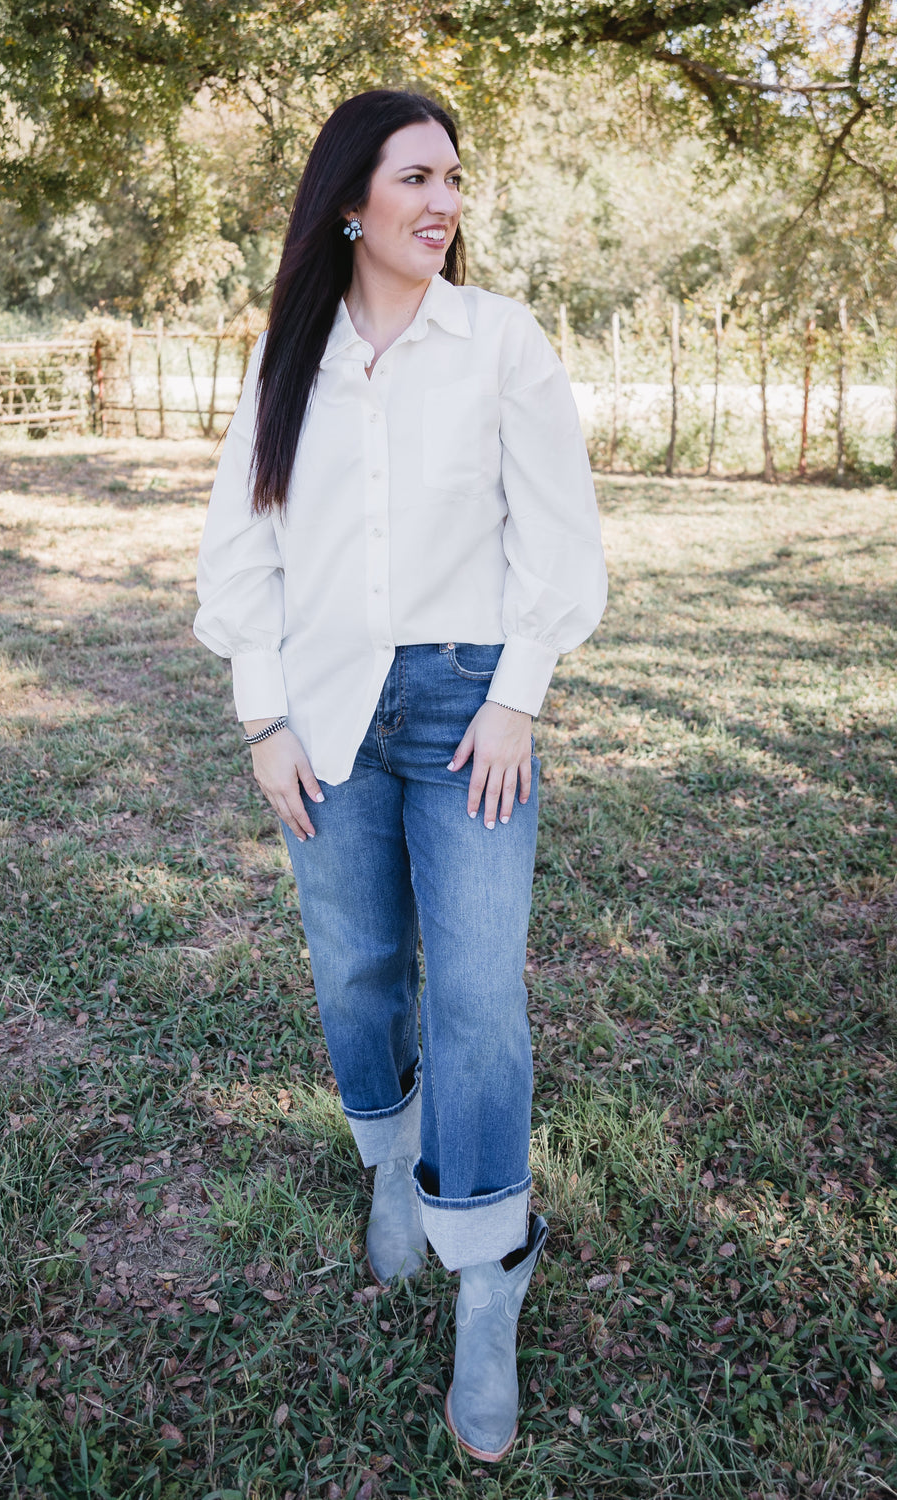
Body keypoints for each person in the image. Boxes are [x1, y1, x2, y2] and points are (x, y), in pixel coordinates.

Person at [195, 89, 607, 1464]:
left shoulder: (500, 343)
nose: (443, 203)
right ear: (349, 202)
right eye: (415, 177)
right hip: (325, 717)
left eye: (454, 180)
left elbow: (562, 541)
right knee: (358, 971)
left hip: (465, 710)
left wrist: (516, 697)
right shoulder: (287, 363)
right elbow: (242, 553)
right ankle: (391, 1165)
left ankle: (487, 1276)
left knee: (479, 992)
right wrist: (266, 721)